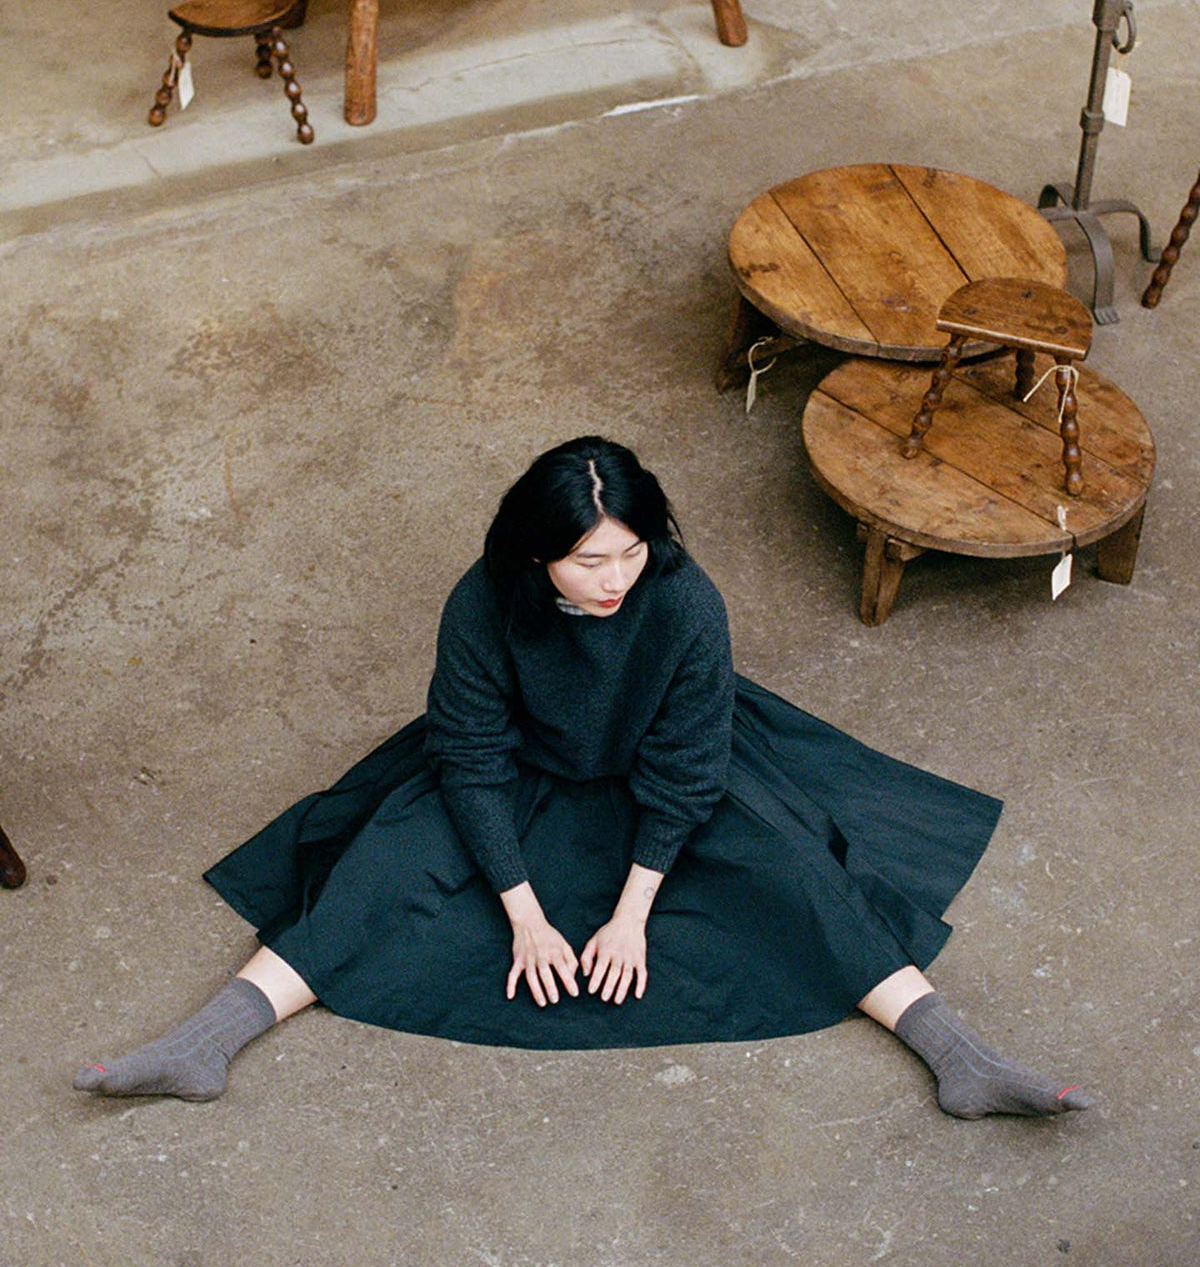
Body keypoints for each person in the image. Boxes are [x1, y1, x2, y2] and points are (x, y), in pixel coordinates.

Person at [74, 437, 1092, 1119]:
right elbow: (467, 760)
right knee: (384, 865)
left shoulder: (686, 606)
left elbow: (690, 769)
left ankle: (961, 1055)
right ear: (535, 553)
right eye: (588, 561)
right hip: (513, 767)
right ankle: (203, 1043)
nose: (615, 579)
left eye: (631, 553)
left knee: (795, 866)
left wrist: (633, 909)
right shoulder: (481, 603)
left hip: (665, 761)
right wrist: (524, 913)